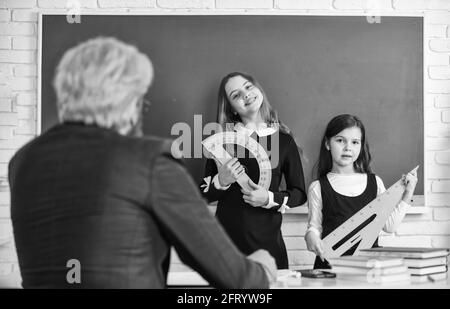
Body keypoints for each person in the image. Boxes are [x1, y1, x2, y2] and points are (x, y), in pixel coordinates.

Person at [8, 37, 277, 288]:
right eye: (140, 102)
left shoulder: (23, 161)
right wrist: (262, 267)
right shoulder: (150, 160)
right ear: (126, 101)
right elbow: (234, 276)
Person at [200, 72, 307, 270]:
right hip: (226, 247)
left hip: (270, 248)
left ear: (258, 90)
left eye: (248, 87)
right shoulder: (222, 141)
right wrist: (220, 181)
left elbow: (299, 194)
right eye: (236, 95)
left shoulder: (284, 141)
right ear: (231, 108)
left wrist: (268, 198)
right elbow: (202, 194)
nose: (245, 94)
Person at [305, 114, 418, 269]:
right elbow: (314, 227)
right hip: (330, 268)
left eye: (355, 142)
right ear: (327, 143)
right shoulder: (318, 187)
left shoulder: (374, 182)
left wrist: (408, 194)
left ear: (361, 146)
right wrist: (310, 236)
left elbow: (389, 226)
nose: (348, 148)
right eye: (340, 140)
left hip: (368, 268)